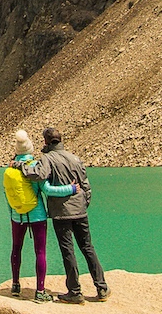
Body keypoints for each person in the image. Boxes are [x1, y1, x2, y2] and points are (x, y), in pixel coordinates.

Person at [27, 126, 108, 303]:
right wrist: (83, 203)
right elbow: (86, 185)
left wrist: (21, 167)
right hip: (80, 210)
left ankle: (75, 291)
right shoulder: (74, 158)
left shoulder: (47, 158)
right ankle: (101, 288)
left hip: (61, 213)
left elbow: (39, 175)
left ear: (46, 142)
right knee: (87, 247)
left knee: (67, 250)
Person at [3, 129, 75, 301]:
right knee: (40, 252)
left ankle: (15, 285)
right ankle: (40, 291)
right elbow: (48, 190)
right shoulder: (35, 167)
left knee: (16, 249)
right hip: (37, 215)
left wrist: (13, 213)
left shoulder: (10, 169)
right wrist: (71, 189)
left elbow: (7, 196)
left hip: (17, 215)